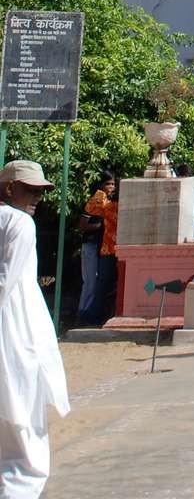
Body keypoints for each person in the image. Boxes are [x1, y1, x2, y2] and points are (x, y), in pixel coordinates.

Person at [0, 161, 69, 497]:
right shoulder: (19, 223)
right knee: (23, 414)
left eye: (40, 191)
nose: (37, 198)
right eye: (31, 190)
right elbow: (6, 281)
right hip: (17, 325)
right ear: (9, 187)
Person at [77, 169, 118, 325]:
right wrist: (101, 225)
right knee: (90, 283)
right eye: (108, 184)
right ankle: (83, 314)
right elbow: (82, 225)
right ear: (101, 184)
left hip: (101, 245)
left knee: (97, 282)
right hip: (91, 244)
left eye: (113, 184)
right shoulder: (96, 200)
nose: (111, 187)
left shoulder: (107, 200)